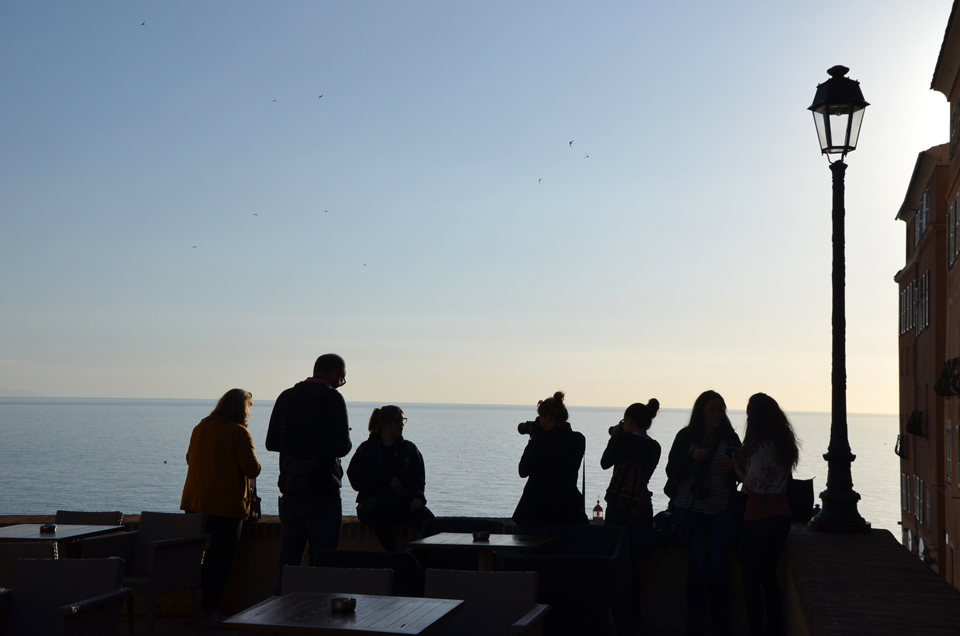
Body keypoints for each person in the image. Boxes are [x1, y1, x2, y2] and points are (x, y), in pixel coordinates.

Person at [265, 354, 352, 591]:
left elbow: (271, 442)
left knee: (289, 559)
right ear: (335, 373)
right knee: (322, 561)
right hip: (323, 490)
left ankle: (282, 613)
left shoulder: (286, 397)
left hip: (291, 488)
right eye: (342, 376)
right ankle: (318, 617)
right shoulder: (333, 399)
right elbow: (342, 447)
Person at [180, 388, 261, 627]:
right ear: (241, 408)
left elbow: (189, 458)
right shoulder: (239, 433)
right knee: (221, 560)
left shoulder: (200, 427)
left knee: (200, 557)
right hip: (225, 507)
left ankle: (196, 607)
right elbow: (251, 469)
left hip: (195, 502)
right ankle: (208, 612)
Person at [664, 390, 742, 636]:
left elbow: (744, 472)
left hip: (720, 510)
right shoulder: (686, 437)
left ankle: (719, 623)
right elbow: (671, 470)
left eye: (721, 410)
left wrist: (734, 467)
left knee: (717, 565)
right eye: (713, 410)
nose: (718, 414)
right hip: (691, 509)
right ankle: (695, 623)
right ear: (701, 412)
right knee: (698, 565)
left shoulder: (730, 438)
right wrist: (692, 458)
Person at [734, 393, 799, 636]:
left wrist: (738, 470)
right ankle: (774, 626)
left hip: (760, 515)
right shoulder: (782, 445)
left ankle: (756, 629)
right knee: (768, 575)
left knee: (750, 577)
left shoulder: (761, 447)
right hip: (781, 514)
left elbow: (755, 487)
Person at [346, 405, 435, 550]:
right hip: (372, 503)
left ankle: (422, 558)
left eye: (402, 420)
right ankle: (393, 555)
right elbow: (355, 479)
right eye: (396, 421)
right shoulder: (367, 449)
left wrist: (418, 498)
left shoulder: (409, 450)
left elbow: (418, 478)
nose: (401, 424)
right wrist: (385, 479)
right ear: (384, 424)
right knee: (378, 509)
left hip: (401, 503)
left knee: (430, 523)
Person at [512, 391, 588, 533]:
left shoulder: (542, 441)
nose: (539, 421)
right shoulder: (578, 439)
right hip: (568, 510)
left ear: (548, 418)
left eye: (541, 417)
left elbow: (523, 470)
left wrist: (533, 440)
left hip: (538, 513)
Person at [601, 399, 662, 560]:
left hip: (618, 506)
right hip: (641, 506)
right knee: (637, 559)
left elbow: (605, 462)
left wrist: (614, 437)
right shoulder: (655, 447)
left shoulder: (624, 440)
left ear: (629, 421)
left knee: (615, 555)